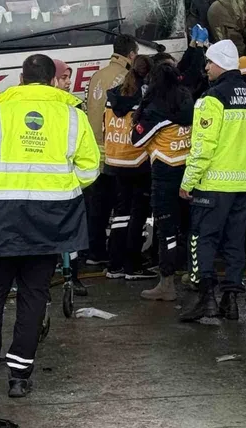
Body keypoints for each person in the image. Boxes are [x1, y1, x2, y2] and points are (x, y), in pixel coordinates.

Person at [0, 54, 100, 400]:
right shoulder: (73, 116)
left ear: (20, 79)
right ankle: (20, 378)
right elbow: (89, 170)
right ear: (53, 80)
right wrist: (57, 189)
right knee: (34, 295)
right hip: (49, 220)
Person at [179, 40, 246, 322]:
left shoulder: (212, 99)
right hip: (244, 186)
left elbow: (203, 146)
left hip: (212, 186)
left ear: (220, 64)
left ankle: (205, 297)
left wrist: (188, 181)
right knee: (235, 242)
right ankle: (230, 300)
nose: (206, 67)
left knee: (202, 239)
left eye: (209, 62)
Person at [131, 62, 194, 302]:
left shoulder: (156, 107)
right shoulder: (189, 101)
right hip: (190, 171)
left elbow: (137, 140)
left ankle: (167, 283)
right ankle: (194, 275)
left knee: (167, 230)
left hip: (165, 173)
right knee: (191, 227)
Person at [83, 34, 139, 266]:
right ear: (132, 54)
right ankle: (117, 254)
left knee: (97, 205)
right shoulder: (126, 76)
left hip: (94, 150)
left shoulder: (97, 75)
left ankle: (94, 251)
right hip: (115, 151)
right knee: (120, 205)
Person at [103, 55, 156, 281]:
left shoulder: (113, 96)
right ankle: (132, 265)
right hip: (138, 161)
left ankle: (114, 264)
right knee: (138, 215)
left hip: (115, 160)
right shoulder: (144, 98)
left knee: (120, 214)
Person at [52, 59, 88, 296]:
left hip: (66, 182)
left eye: (69, 77)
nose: (68, 82)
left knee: (69, 234)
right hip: (49, 184)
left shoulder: (74, 107)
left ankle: (72, 276)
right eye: (63, 77)